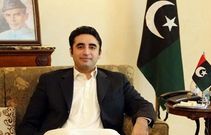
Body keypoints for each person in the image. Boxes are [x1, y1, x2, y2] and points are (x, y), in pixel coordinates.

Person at [16, 26, 156, 135]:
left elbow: (143, 105)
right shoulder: (50, 81)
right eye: (80, 46)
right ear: (71, 51)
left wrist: (142, 123)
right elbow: (29, 123)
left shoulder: (117, 80)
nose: (86, 52)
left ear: (99, 53)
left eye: (92, 47)